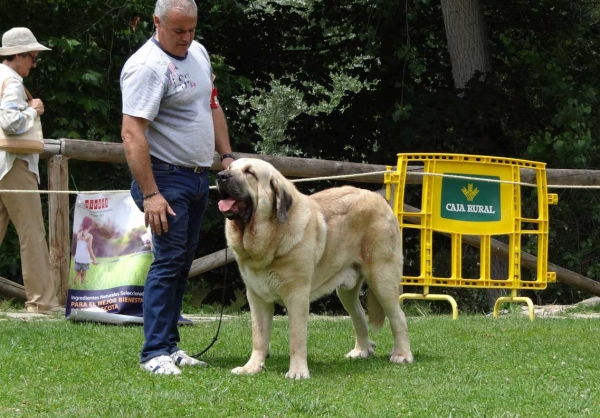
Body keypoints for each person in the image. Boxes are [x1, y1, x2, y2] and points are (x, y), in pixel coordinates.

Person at [120, 0, 235, 375]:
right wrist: (151, 193)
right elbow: (131, 132)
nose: (187, 38)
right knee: (168, 263)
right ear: (157, 23)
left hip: (199, 176)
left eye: (192, 30)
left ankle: (170, 347)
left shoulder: (198, 52)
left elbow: (212, 104)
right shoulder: (146, 67)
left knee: (182, 263)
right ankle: (153, 353)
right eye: (178, 31)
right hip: (164, 178)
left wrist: (227, 156)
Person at [0, 27, 63, 315]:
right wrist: (33, 110)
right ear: (18, 55)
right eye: (32, 58)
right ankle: (42, 303)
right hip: (15, 163)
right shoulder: (11, 82)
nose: (34, 64)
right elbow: (12, 123)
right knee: (32, 233)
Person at [73, 216, 97, 285]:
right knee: (83, 276)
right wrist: (94, 259)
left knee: (77, 275)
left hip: (77, 259)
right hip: (84, 260)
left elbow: (80, 247)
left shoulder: (78, 235)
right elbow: (89, 248)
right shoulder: (89, 236)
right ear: (90, 226)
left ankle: (73, 287)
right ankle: (82, 287)